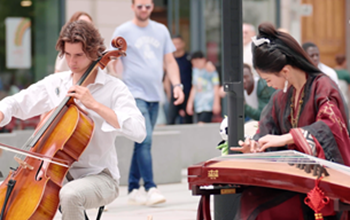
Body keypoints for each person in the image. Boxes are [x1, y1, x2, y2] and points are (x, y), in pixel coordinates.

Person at [0, 20, 146, 220]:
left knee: (70, 195)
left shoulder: (114, 88)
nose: (71, 62)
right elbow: (18, 102)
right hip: (54, 176)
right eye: (67, 54)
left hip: (100, 177)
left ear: (95, 53)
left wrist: (94, 105)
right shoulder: (57, 83)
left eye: (78, 55)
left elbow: (139, 131)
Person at [231, 22, 350, 220]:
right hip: (295, 180)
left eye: (268, 80)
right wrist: (256, 145)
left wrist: (287, 138)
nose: (269, 85)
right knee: (251, 199)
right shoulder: (281, 97)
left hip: (321, 182)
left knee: (261, 208)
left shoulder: (324, 87)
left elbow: (330, 128)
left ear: (285, 71)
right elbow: (266, 130)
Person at [109, 0, 184, 206]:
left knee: (140, 139)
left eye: (148, 6)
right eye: (140, 6)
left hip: (155, 95)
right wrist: (118, 83)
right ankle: (151, 187)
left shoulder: (161, 30)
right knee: (146, 139)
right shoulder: (123, 30)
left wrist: (177, 85)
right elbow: (112, 60)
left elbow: (169, 61)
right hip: (134, 94)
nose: (144, 10)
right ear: (132, 6)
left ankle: (133, 188)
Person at [186, 51, 221, 123]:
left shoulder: (211, 70)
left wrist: (216, 103)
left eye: (197, 62)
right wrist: (190, 103)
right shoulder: (195, 71)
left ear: (203, 60)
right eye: (194, 63)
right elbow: (194, 87)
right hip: (198, 104)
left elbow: (216, 87)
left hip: (208, 103)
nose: (196, 64)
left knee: (202, 123)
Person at [167, 34, 193, 124]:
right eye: (174, 44)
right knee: (171, 119)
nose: (176, 46)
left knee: (189, 119)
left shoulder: (189, 58)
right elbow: (166, 78)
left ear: (183, 44)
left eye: (178, 43)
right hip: (175, 93)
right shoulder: (170, 60)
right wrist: (168, 93)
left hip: (188, 92)